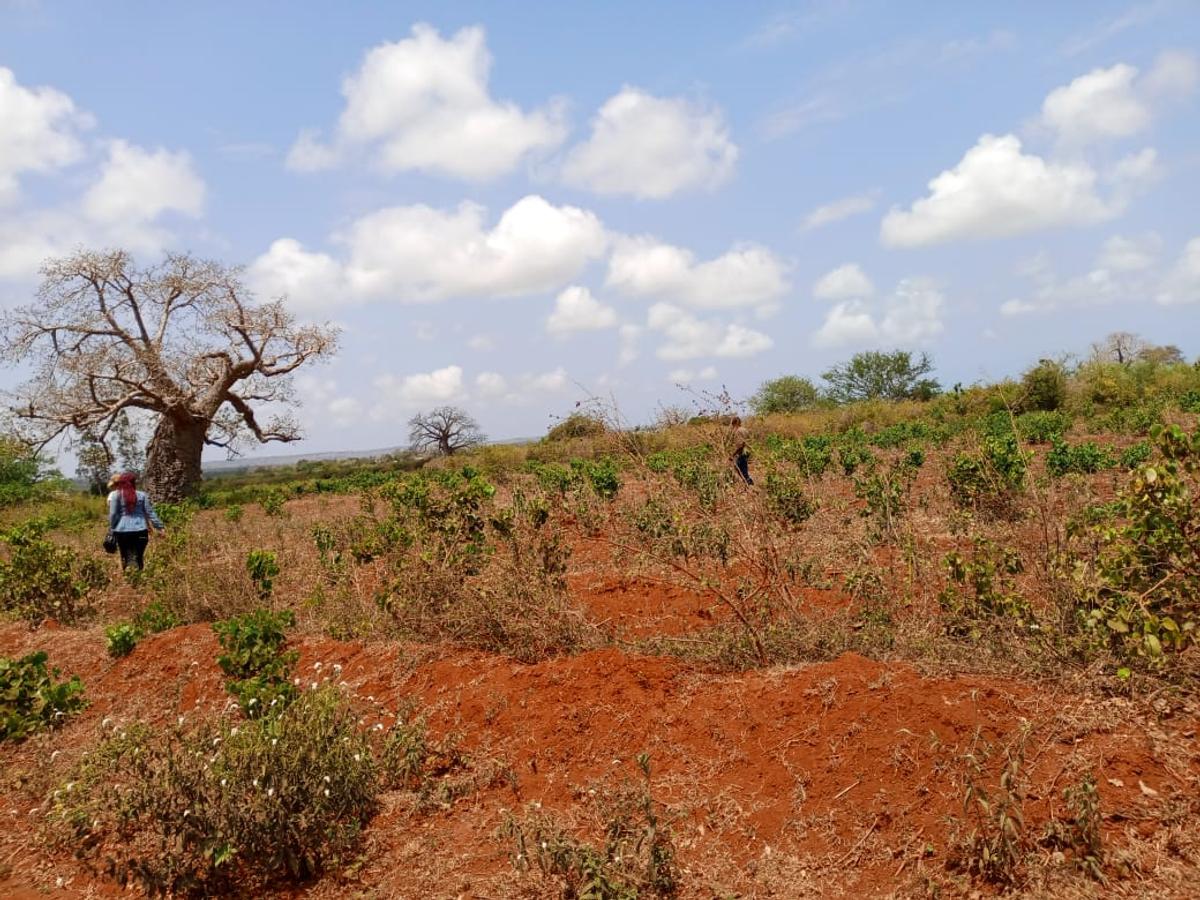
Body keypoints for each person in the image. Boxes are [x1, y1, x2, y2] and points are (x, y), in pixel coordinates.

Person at [107, 472, 165, 571]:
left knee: (125, 556)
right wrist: (159, 527)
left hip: (122, 531)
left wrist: (112, 528)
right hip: (141, 531)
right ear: (134, 483)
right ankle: (138, 576)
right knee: (138, 557)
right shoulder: (142, 495)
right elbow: (150, 512)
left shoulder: (116, 496)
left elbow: (113, 515)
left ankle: (129, 580)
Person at [729, 416, 753, 485]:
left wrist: (733, 454)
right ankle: (748, 481)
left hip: (742, 452)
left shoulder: (738, 431)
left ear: (734, 423)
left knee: (737, 467)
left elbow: (740, 445)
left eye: (732, 424)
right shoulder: (744, 429)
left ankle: (747, 482)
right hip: (747, 451)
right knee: (744, 467)